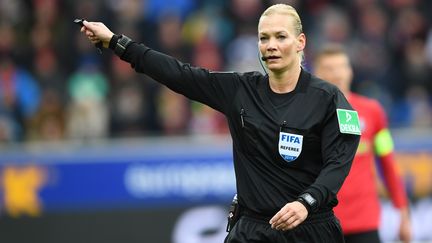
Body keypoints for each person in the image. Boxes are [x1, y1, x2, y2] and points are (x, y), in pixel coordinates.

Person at [80, 4, 360, 242]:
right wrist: (117, 42)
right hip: (254, 229)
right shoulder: (240, 90)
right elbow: (179, 75)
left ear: (300, 42)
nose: (271, 45)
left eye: (280, 37)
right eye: (264, 38)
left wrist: (306, 202)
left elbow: (339, 163)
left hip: (310, 228)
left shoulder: (329, 99)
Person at [313, 44, 411, 243]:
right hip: (321, 222)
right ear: (317, 73)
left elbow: (387, 163)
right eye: (330, 68)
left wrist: (402, 212)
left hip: (364, 222)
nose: (337, 73)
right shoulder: (305, 116)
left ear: (350, 70)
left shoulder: (372, 112)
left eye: (342, 66)